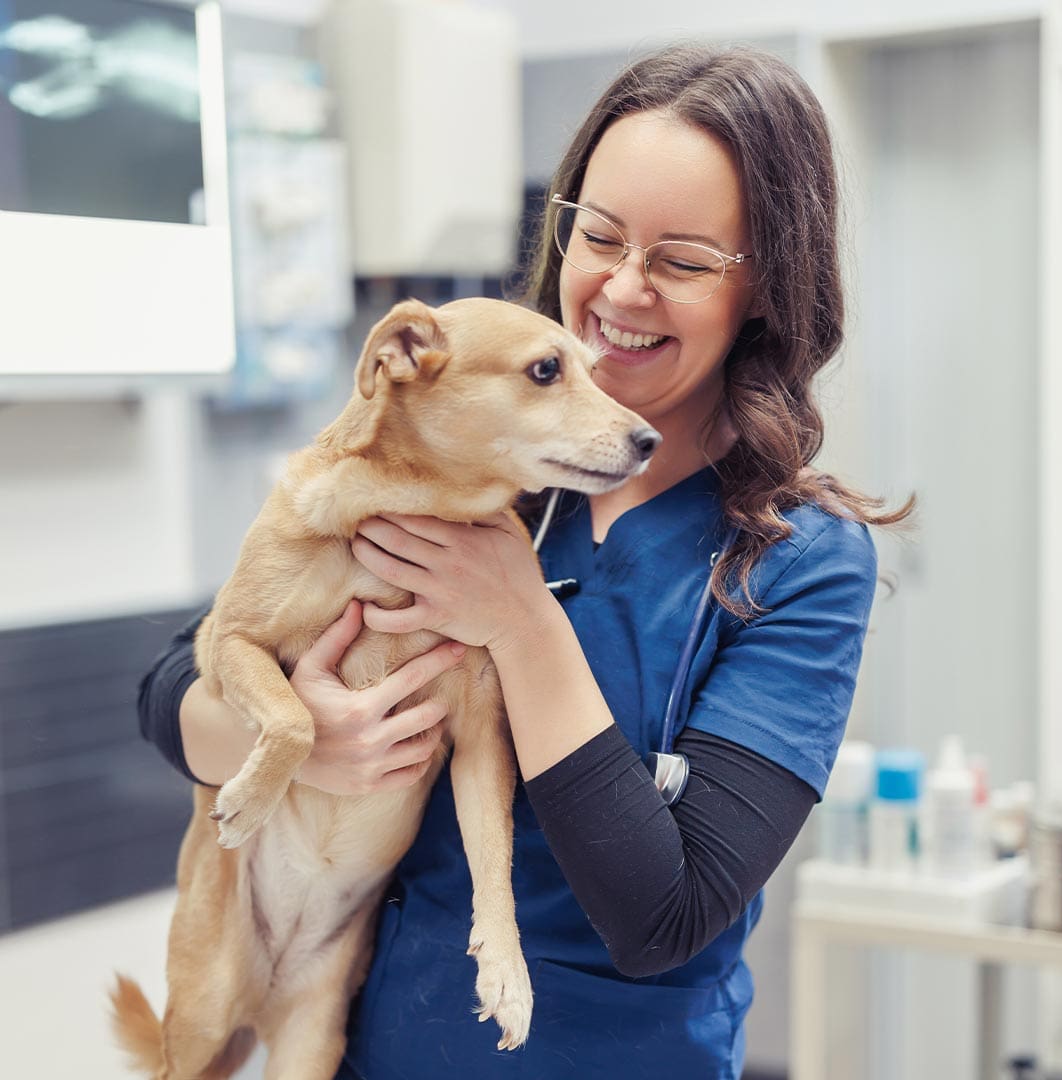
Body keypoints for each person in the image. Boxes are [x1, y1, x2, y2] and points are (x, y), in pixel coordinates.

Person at [139, 43, 910, 1079]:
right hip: (368, 1043)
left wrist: (520, 618)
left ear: (764, 287)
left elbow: (665, 913)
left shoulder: (802, 563)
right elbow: (171, 684)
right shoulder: (481, 460)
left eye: (681, 261)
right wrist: (305, 738)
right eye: (600, 236)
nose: (621, 290)